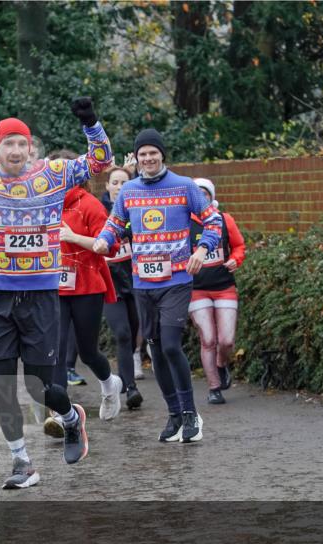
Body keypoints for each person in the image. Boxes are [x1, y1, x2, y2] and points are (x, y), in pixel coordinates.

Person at [0, 77, 113, 487]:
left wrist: (90, 123)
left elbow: (100, 162)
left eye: (22, 143)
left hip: (41, 296)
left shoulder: (53, 176)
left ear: (31, 148)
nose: (16, 150)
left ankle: (71, 416)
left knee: (42, 388)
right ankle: (21, 462)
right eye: (9, 143)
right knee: (3, 387)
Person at [93, 128, 223, 444]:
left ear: (162, 154)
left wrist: (202, 249)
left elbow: (213, 220)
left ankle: (191, 413)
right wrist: (103, 241)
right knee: (154, 348)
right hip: (143, 283)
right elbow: (114, 224)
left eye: (153, 152)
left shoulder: (184, 186)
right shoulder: (129, 191)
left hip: (177, 280)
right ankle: (174, 413)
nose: (148, 158)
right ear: (136, 159)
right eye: (142, 154)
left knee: (169, 345)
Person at [41, 150, 123, 438]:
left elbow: (110, 246)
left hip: (87, 286)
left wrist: (74, 238)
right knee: (57, 351)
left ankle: (110, 384)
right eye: (49, 171)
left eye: (60, 171)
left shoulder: (89, 205)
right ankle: (61, 415)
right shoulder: (40, 204)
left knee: (88, 352)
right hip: (54, 288)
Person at [188, 177, 245, 405]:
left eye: (206, 194)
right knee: (208, 338)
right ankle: (214, 387)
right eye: (197, 194)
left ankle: (221, 365)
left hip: (224, 287)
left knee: (227, 340)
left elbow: (239, 246)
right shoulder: (183, 222)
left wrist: (235, 260)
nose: (202, 198)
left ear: (212, 197)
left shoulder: (224, 220)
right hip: (196, 289)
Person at [100, 165, 144, 408]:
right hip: (110, 284)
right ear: (107, 186)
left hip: (135, 281)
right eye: (114, 183)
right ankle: (130, 387)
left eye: (123, 183)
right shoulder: (99, 210)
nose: (118, 187)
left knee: (137, 333)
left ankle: (127, 382)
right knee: (123, 334)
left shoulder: (135, 208)